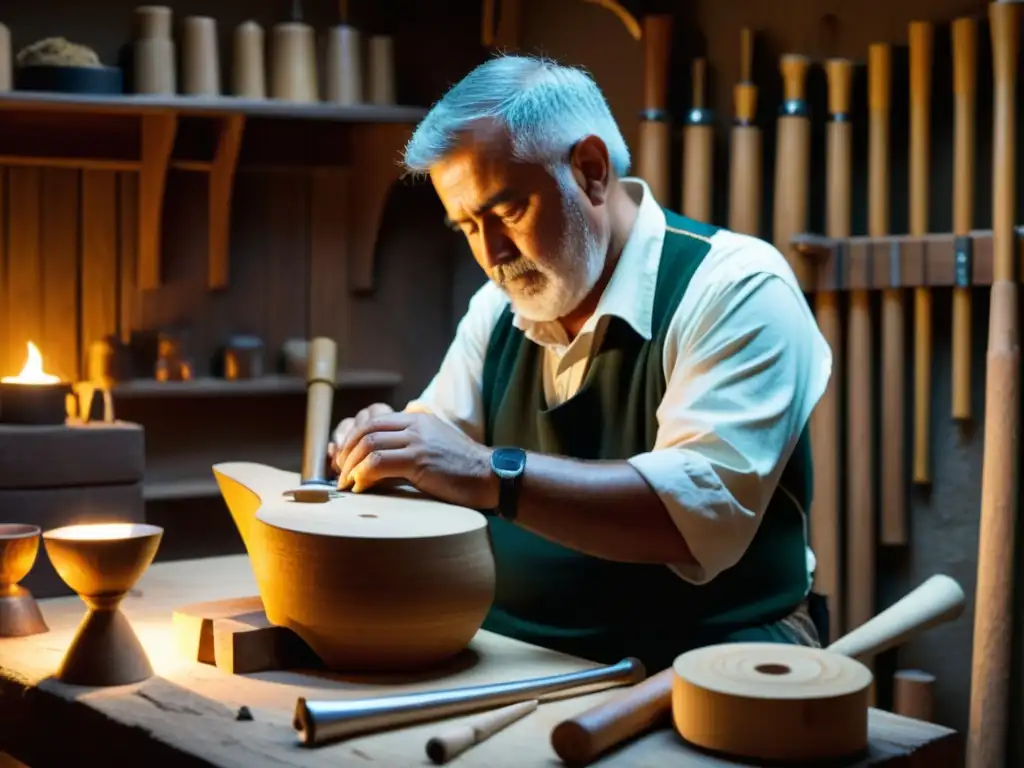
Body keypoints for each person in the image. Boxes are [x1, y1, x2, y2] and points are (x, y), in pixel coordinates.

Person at [328, 54, 832, 673]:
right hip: (519, 653)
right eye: (466, 227)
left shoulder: (737, 288)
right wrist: (386, 451)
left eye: (507, 212)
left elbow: (691, 519)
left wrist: (488, 472)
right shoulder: (498, 307)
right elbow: (435, 459)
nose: (490, 253)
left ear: (591, 171)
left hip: (704, 656)